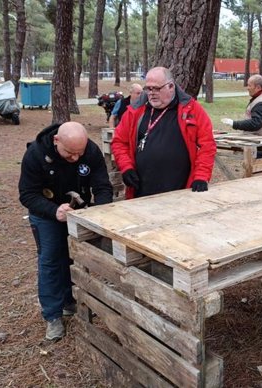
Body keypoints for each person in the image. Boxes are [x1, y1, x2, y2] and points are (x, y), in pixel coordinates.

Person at [19, 122, 113, 341]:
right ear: (56, 141)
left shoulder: (90, 151)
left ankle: (71, 301)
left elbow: (102, 186)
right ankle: (52, 315)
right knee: (51, 261)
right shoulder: (35, 155)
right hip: (47, 216)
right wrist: (53, 211)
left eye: (79, 153)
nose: (75, 159)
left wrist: (100, 210)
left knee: (75, 259)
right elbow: (27, 195)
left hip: (80, 213)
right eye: (70, 153)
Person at [110, 66, 216, 199]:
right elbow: (119, 141)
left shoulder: (192, 110)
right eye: (148, 88)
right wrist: (126, 167)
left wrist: (201, 176)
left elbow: (207, 145)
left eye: (157, 88)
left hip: (180, 192)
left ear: (171, 86)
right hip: (141, 192)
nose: (151, 93)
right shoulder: (135, 111)